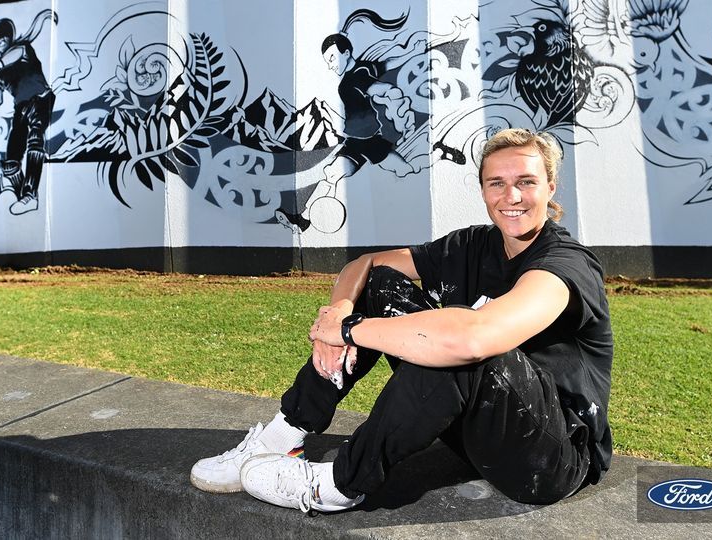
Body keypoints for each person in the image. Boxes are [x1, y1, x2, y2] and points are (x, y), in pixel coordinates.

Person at [193, 128, 613, 513]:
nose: (511, 196)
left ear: (550, 187)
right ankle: (282, 437)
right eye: (497, 183)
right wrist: (339, 310)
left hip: (549, 458)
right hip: (476, 432)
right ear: (483, 191)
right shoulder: (472, 244)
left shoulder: (564, 264)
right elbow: (366, 263)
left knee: (458, 341)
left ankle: (339, 485)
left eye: (526, 181)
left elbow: (474, 338)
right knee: (378, 287)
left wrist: (348, 330)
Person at [275, 9, 422, 233]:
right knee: (339, 172)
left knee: (400, 171)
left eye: (332, 58)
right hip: (361, 141)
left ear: (346, 52)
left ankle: (300, 216)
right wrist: (412, 51)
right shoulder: (364, 67)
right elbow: (388, 63)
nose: (330, 65)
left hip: (369, 140)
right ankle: (300, 217)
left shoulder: (352, 80)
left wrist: (389, 91)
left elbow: (375, 87)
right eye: (327, 61)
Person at [0, 15, 56, 216]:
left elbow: (16, 53)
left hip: (41, 99)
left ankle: (30, 195)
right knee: (11, 163)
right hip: (20, 109)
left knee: (35, 138)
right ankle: (25, 198)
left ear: (4, 41)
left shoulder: (21, 49)